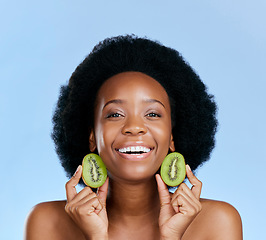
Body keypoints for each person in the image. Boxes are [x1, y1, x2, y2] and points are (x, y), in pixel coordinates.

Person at [24, 35, 243, 240]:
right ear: (91, 137)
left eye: (152, 114)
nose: (134, 127)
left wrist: (171, 237)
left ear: (172, 138)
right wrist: (97, 237)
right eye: (115, 114)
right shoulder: (47, 222)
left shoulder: (218, 222)